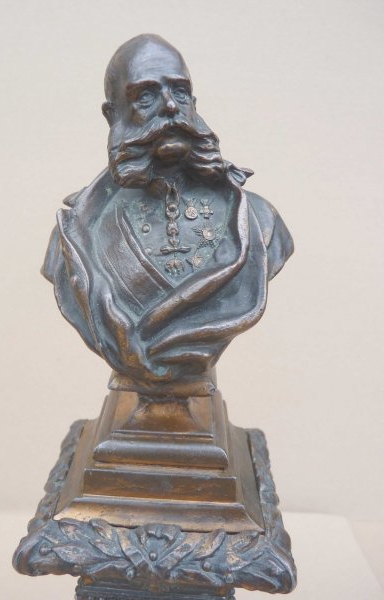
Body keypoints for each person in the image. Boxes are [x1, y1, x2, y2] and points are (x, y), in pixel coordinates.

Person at [42, 34, 294, 397]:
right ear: (112, 115)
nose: (171, 107)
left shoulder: (259, 220)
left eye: (180, 92)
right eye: (146, 96)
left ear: (194, 102)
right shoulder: (75, 236)